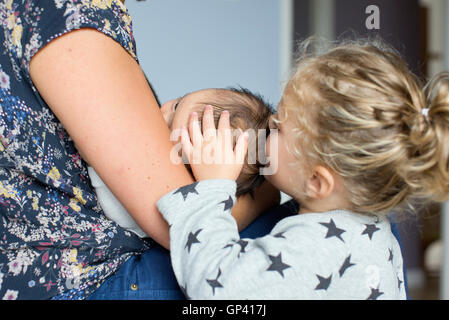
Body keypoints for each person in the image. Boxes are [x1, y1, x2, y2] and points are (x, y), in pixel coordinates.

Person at [0, 0, 278, 300]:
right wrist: (254, 194)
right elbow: (181, 228)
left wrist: (216, 189)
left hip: (65, 263)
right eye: (179, 102)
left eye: (173, 117)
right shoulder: (72, 22)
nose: (163, 109)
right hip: (78, 278)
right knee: (284, 240)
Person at [156, 38, 449, 299]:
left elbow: (216, 289)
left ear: (317, 182)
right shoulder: (368, 222)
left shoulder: (316, 248)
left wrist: (212, 188)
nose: (269, 123)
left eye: (279, 126)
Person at [87, 87, 277, 238]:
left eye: (167, 129)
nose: (160, 115)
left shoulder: (160, 201)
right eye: (177, 104)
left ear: (187, 180)